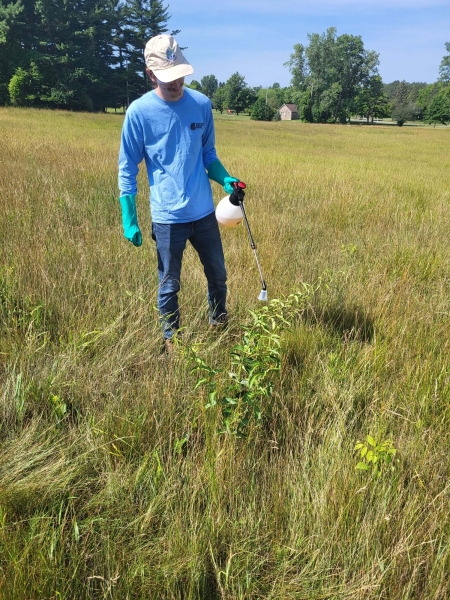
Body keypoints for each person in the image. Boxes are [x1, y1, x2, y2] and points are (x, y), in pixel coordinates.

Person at [118, 34, 241, 349]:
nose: (176, 83)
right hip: (167, 217)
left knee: (218, 275)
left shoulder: (201, 104)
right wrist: (129, 217)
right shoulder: (138, 113)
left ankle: (218, 326)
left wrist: (225, 180)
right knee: (169, 284)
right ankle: (172, 341)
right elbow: (127, 168)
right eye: (167, 78)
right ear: (150, 74)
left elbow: (208, 155)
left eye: (180, 75)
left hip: (203, 214)